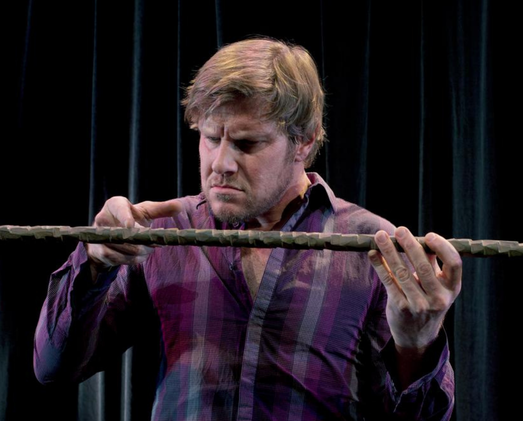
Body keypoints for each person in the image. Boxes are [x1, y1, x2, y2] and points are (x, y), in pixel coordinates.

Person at [33, 37, 462, 421]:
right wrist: (94, 262)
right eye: (210, 137)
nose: (220, 163)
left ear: (305, 141)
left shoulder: (369, 245)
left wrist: (417, 345)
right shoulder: (163, 232)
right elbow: (53, 367)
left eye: (246, 143)